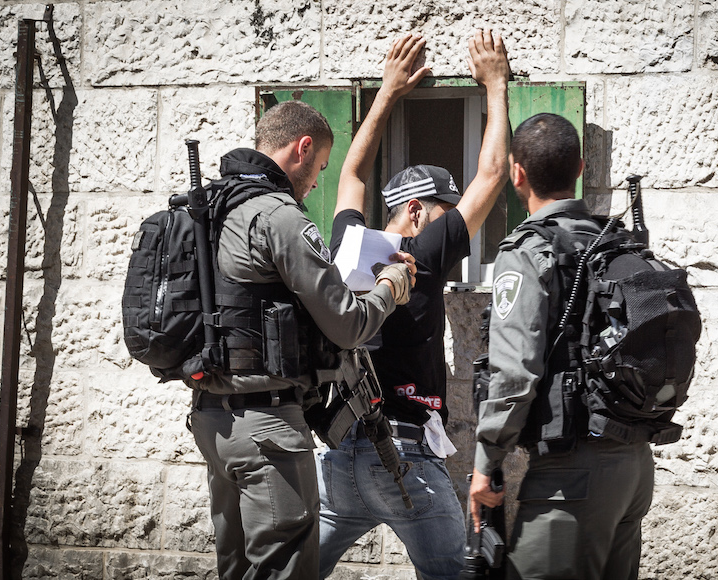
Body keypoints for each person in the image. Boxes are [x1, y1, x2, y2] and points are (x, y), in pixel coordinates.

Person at [187, 99, 417, 580]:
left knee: (237, 567)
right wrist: (392, 286)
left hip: (213, 420)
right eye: (320, 169)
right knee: (284, 568)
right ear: (303, 147)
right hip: (267, 425)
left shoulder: (210, 210)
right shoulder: (280, 217)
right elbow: (349, 325)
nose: (316, 183)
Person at [317, 31, 511, 580]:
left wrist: (387, 90)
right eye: (448, 211)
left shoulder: (345, 246)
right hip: (403, 456)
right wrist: (495, 83)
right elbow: (492, 176)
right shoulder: (418, 257)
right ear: (421, 213)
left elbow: (351, 176)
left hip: (340, 454)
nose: (458, 221)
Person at [469, 113, 656, 580]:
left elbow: (514, 375)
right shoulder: (611, 244)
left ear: (516, 172)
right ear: (580, 166)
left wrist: (485, 463)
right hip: (632, 468)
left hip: (571, 477)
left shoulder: (525, 253)